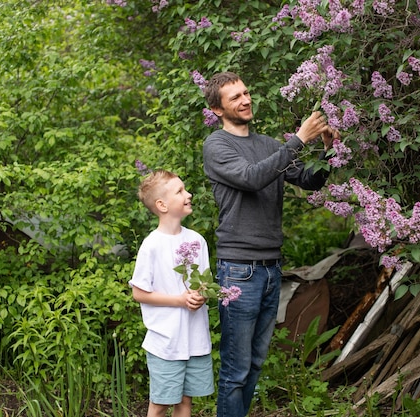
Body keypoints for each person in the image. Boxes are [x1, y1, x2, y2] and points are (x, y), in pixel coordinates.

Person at [202, 71, 339, 417]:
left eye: (246, 92)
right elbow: (252, 178)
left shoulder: (267, 144)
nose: (245, 100)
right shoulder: (217, 146)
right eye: (235, 97)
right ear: (217, 108)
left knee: (256, 363)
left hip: (271, 268)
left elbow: (309, 181)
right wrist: (298, 140)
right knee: (236, 370)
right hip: (239, 270)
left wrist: (326, 149)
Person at [128, 169, 214, 417]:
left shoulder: (197, 240)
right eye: (180, 191)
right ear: (162, 205)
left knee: (185, 401)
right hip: (166, 342)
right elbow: (139, 293)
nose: (188, 194)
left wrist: (201, 295)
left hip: (194, 339)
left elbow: (204, 284)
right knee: (160, 404)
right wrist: (179, 300)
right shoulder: (152, 245)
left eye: (185, 189)